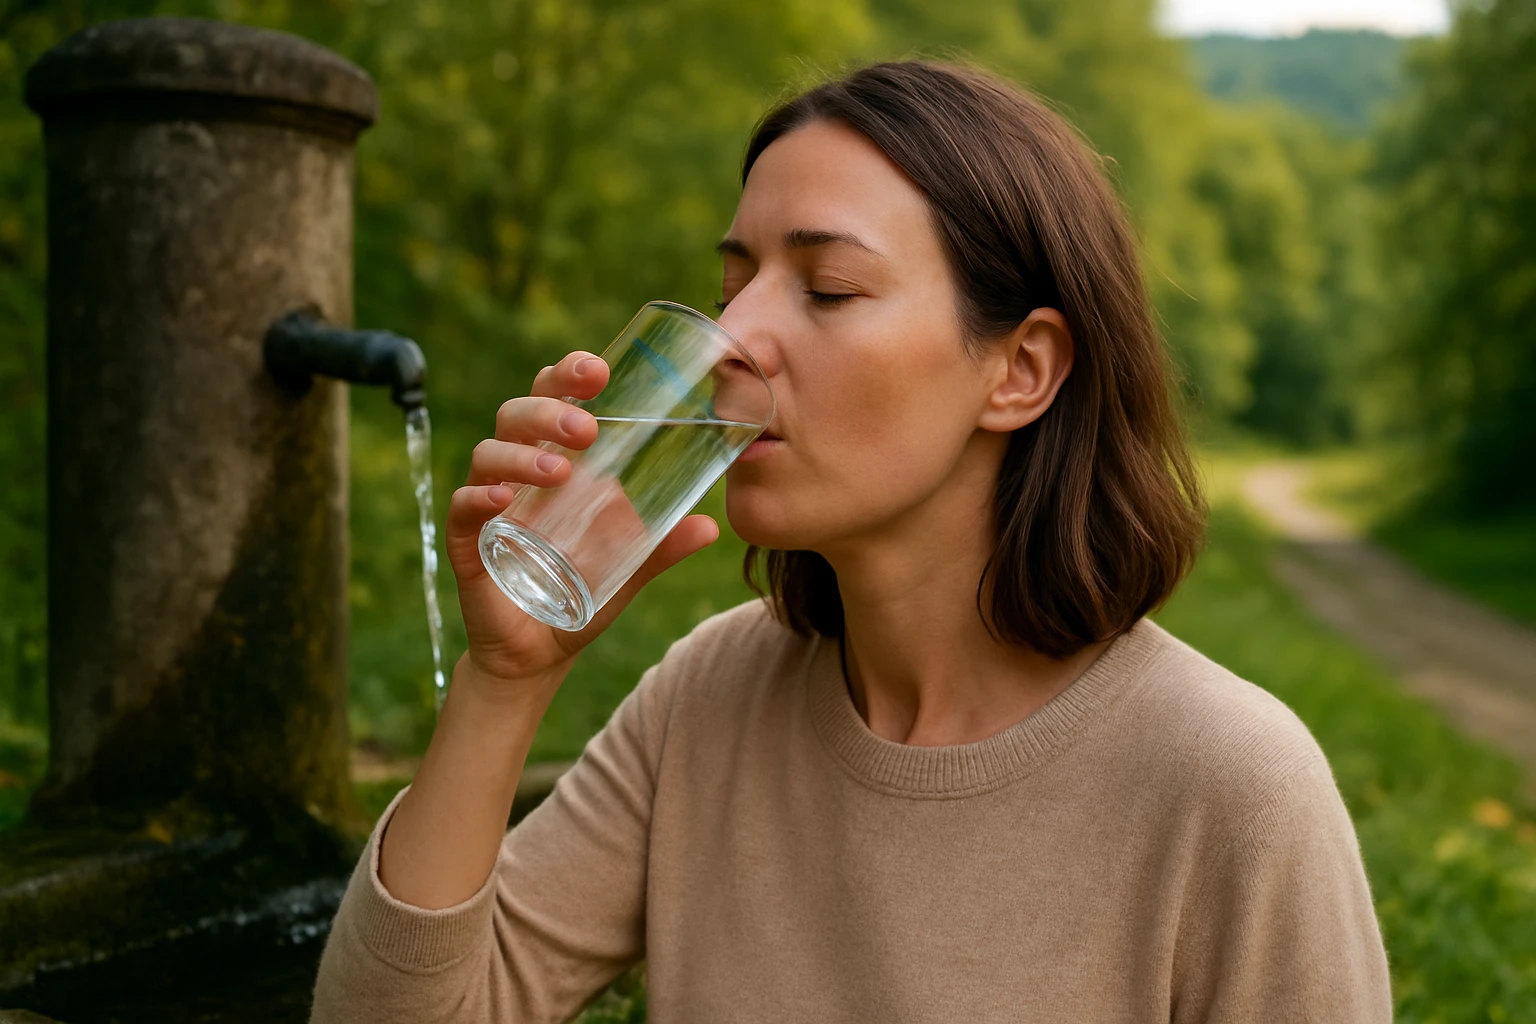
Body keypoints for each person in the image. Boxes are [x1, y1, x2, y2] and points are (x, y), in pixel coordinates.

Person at [310, 59, 1392, 1023]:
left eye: (827, 287)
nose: (734, 339)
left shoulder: (1231, 787)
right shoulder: (706, 702)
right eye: (732, 288)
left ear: (1019, 370)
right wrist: (505, 680)